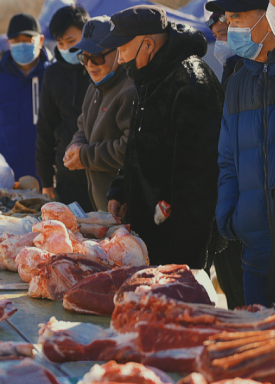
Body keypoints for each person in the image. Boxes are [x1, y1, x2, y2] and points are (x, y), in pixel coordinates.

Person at [99, 5, 223, 270]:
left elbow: (198, 182)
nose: (119, 59)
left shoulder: (192, 83)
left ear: (147, 45)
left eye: (122, 50)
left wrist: (185, 261)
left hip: (175, 246)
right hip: (145, 235)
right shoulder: (149, 78)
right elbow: (139, 145)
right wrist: (121, 190)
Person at [209, 0, 275, 306]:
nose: (232, 29)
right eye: (229, 21)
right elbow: (227, 161)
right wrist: (229, 216)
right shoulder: (236, 84)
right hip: (254, 253)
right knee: (257, 347)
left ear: (269, 16)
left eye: (238, 20)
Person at [62, 16, 133, 213]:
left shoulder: (129, 90)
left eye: (97, 57)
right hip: (101, 205)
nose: (90, 64)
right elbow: (83, 126)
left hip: (124, 207)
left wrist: (84, 156)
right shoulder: (94, 87)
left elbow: (129, 149)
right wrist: (76, 145)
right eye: (84, 58)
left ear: (118, 52)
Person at [0, 13, 52, 180]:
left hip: (48, 174)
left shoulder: (53, 75)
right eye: (16, 40)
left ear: (40, 41)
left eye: (27, 39)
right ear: (8, 43)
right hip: (9, 174)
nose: (22, 44)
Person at [35, 5, 93, 211]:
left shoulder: (101, 68)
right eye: (60, 43)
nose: (66, 48)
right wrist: (46, 180)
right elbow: (46, 127)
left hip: (101, 173)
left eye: (71, 41)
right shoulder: (53, 75)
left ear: (87, 33)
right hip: (67, 177)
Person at [207, 12, 243, 83]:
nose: (218, 41)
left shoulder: (251, 68)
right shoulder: (229, 68)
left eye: (222, 34)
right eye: (215, 36)